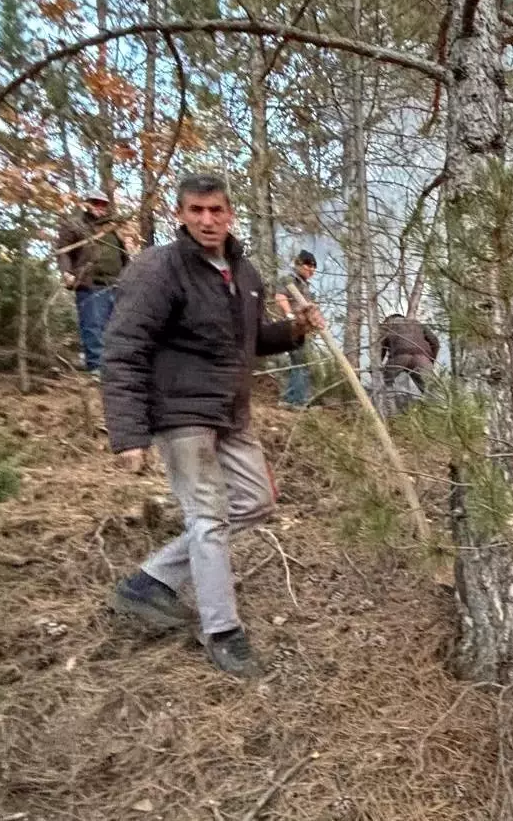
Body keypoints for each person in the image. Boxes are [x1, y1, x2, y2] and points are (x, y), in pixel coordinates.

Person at [100, 173, 325, 677]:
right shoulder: (159, 269)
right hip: (180, 413)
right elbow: (123, 348)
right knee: (207, 519)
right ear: (180, 214)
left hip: (231, 411)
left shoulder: (243, 273)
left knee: (256, 502)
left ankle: (149, 581)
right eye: (196, 211)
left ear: (230, 214)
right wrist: (129, 432)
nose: (207, 220)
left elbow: (247, 342)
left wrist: (294, 330)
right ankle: (222, 632)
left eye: (216, 211)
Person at [56, 190, 127, 375]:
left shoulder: (112, 228)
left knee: (117, 327)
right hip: (90, 284)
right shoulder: (75, 225)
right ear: (87, 204)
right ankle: (96, 367)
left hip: (116, 284)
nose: (100, 208)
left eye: (103, 204)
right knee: (93, 325)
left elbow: (123, 255)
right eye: (96, 203)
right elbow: (63, 251)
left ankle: (114, 366)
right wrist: (66, 272)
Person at [273, 250, 317, 408]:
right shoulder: (290, 279)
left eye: (314, 267)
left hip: (302, 329)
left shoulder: (304, 284)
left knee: (302, 362)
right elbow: (280, 296)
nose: (311, 269)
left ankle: (299, 398)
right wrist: (290, 315)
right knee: (298, 361)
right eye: (308, 265)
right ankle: (292, 400)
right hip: (291, 327)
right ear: (299, 264)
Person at [379, 313, 440, 400]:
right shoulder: (417, 323)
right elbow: (435, 342)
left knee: (385, 383)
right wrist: (431, 360)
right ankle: (434, 410)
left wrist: (378, 365)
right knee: (432, 389)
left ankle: (389, 407)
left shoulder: (388, 326)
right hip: (422, 358)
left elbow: (380, 348)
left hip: (399, 358)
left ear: (388, 320)